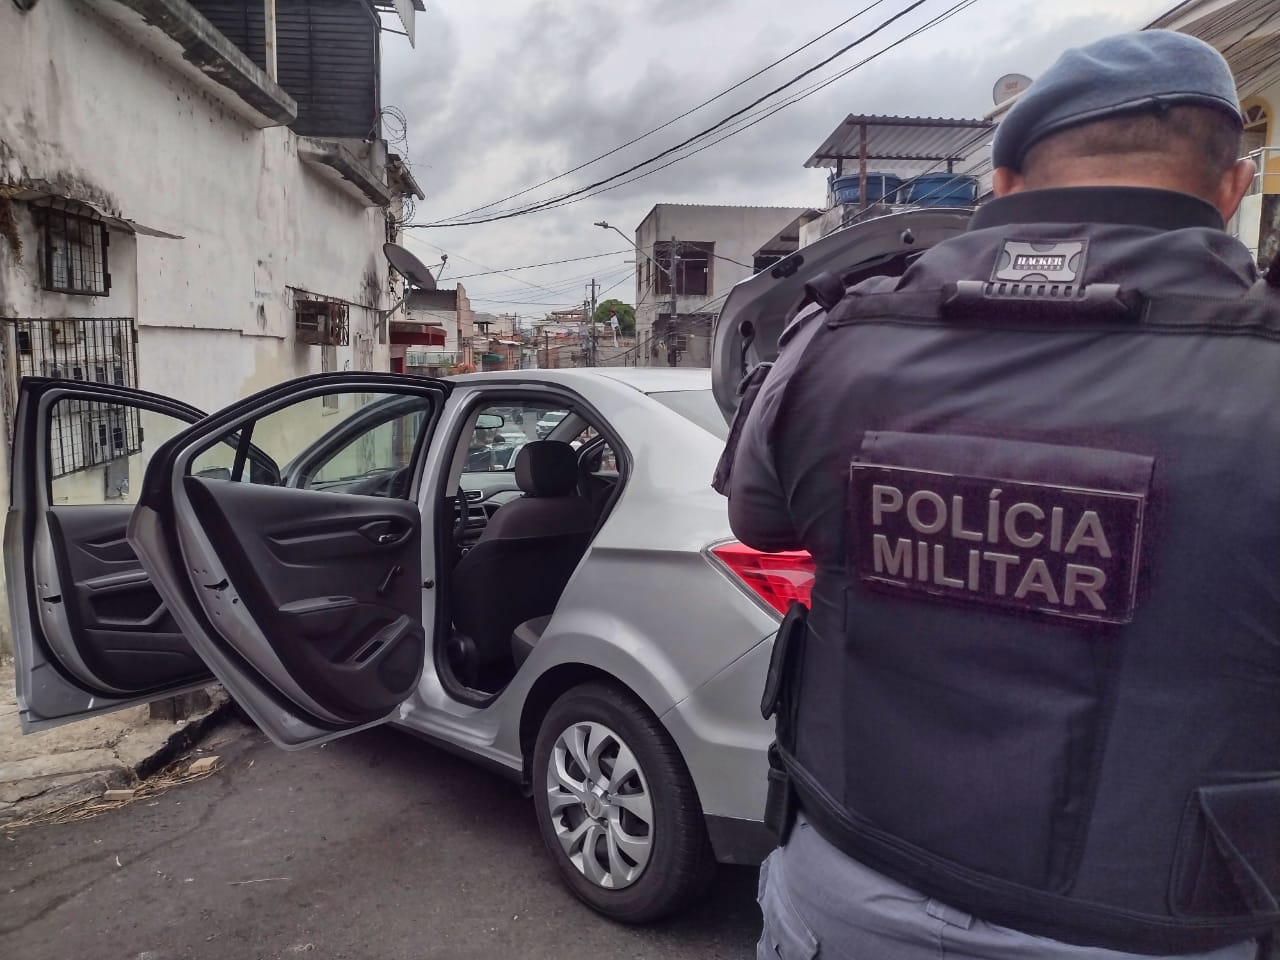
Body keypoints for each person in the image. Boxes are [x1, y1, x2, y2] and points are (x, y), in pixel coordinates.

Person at [720, 30, 1278, 960]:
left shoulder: (831, 339)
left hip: (851, 891)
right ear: (1235, 185)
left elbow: (759, 516)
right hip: (1152, 922)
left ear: (1005, 182)